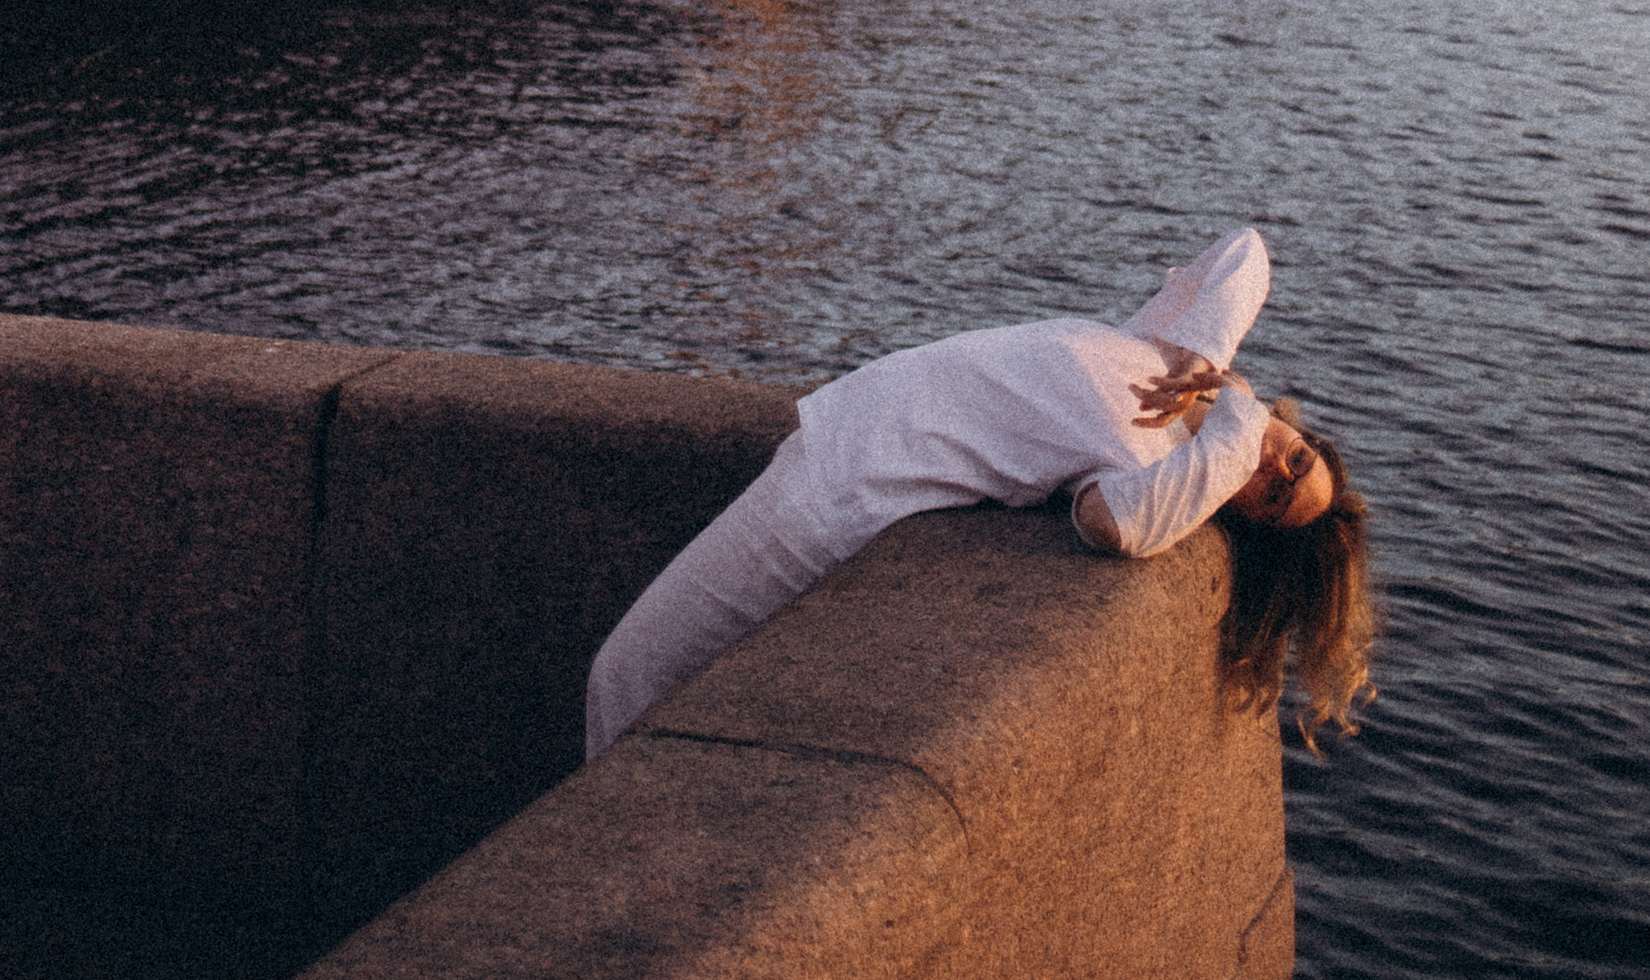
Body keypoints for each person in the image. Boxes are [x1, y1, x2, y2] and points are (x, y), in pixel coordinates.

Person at [585, 227, 1374, 759]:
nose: (1277, 471)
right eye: (1296, 461)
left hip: (835, 498)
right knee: (643, 684)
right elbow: (1246, 248)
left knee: (627, 677)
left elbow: (1121, 528)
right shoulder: (1166, 361)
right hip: (829, 445)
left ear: (1235, 507)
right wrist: (1208, 358)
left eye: (1274, 497)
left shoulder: (1146, 462)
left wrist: (1239, 424)